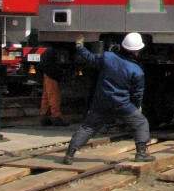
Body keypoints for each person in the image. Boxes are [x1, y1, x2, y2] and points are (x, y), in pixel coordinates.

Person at [62, 33, 155, 165]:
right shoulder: (137, 70)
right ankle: (141, 153)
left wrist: (79, 46)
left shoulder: (108, 57)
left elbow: (90, 58)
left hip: (102, 102)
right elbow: (137, 93)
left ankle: (69, 155)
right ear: (136, 51)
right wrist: (136, 107)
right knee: (141, 123)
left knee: (88, 127)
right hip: (123, 105)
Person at [37, 45, 68, 126]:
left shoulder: (50, 50)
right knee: (53, 95)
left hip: (48, 72)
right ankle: (56, 117)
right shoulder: (55, 51)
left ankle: (44, 117)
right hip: (51, 73)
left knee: (47, 95)